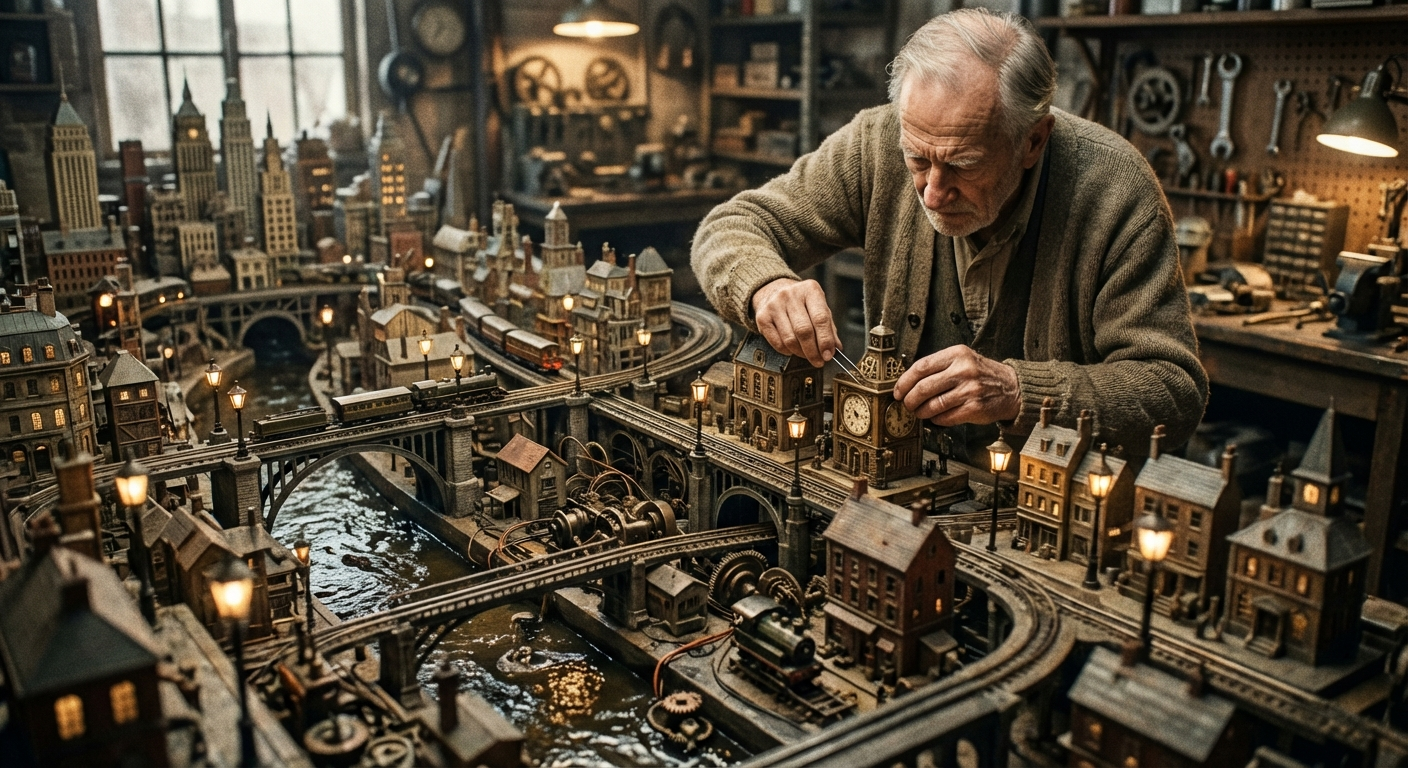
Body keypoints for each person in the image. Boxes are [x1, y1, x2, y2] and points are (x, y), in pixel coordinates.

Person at [690, 8, 1207, 457]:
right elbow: (731, 227)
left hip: (1046, 505)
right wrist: (766, 286)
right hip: (903, 486)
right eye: (918, 159)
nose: (932, 193)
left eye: (963, 164)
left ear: (1032, 141)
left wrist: (1019, 390)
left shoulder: (1115, 190)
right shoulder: (877, 141)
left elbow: (1172, 389)